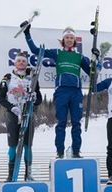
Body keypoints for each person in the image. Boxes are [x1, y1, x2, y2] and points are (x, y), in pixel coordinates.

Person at [20, 22, 98, 158]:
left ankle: (76, 152)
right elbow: (35, 51)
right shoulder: (57, 53)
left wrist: (96, 58)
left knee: (76, 123)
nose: (69, 39)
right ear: (63, 40)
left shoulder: (79, 57)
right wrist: (27, 34)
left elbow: (93, 73)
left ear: (74, 41)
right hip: (62, 92)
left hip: (76, 92)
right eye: (67, 37)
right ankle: (60, 152)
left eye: (71, 37)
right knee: (61, 123)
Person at [0, 50, 42, 182]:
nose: (21, 63)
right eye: (19, 60)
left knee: (28, 145)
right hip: (13, 113)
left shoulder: (32, 77)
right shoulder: (7, 77)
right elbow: (0, 97)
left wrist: (34, 98)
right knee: (12, 145)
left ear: (26, 63)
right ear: (15, 62)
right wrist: (11, 107)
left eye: (23, 61)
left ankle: (28, 174)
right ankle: (11, 175)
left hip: (27, 112)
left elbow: (39, 98)